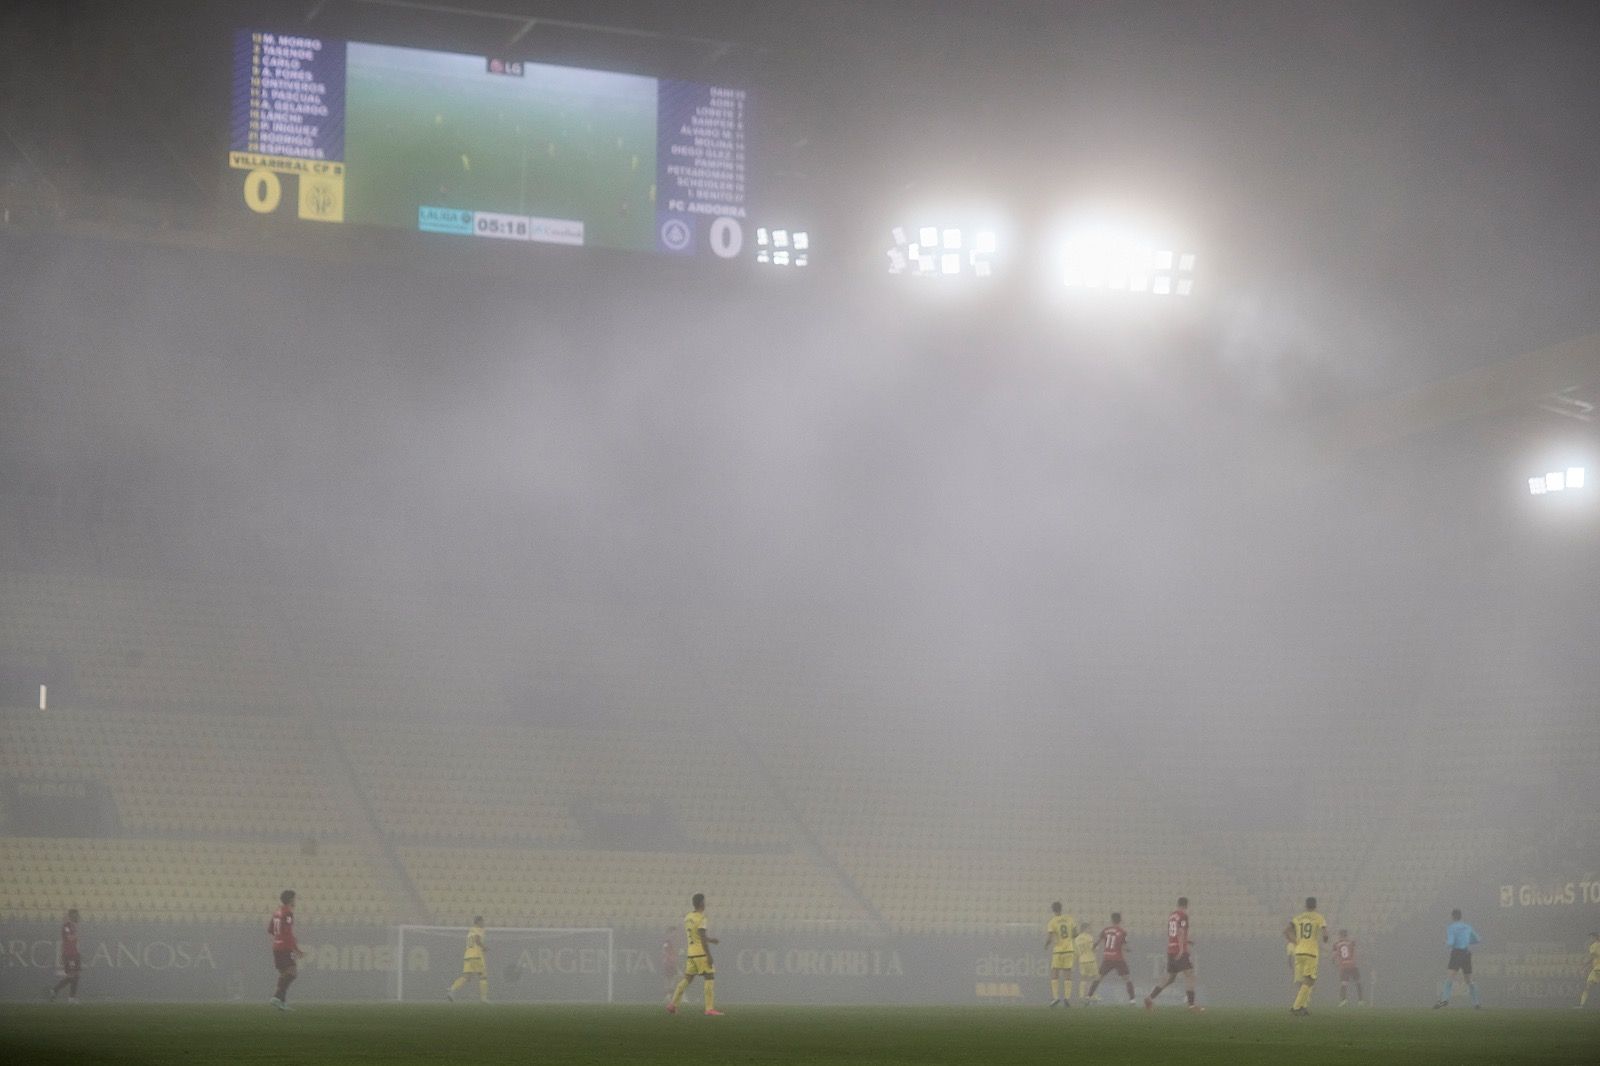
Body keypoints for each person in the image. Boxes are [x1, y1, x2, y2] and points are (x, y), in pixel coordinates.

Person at [667, 893, 722, 1016]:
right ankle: (709, 1009)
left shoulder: (688, 917)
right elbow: (701, 938)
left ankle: (672, 1004)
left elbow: (697, 936)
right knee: (709, 977)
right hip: (701, 954)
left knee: (687, 979)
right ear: (702, 903)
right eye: (705, 901)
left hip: (691, 954)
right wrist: (709, 955)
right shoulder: (701, 918)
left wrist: (711, 940)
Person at [1146, 896, 1203, 1012]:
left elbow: (1172, 933)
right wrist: (1182, 949)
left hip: (1171, 949)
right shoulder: (1183, 916)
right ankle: (1191, 1005)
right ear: (1186, 905)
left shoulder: (1172, 916)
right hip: (1179, 950)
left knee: (1170, 978)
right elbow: (1181, 932)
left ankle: (1150, 998)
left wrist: (1187, 940)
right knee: (1190, 975)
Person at [1285, 896, 1329, 1015]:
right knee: (1310, 981)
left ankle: (1303, 1007)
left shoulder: (1298, 918)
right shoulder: (1319, 917)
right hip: (1311, 953)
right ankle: (1296, 1007)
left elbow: (1286, 930)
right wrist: (1325, 939)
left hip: (1299, 952)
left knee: (1302, 982)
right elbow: (1325, 934)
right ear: (1315, 906)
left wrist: (1295, 941)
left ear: (1305, 905)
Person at [1433, 908, 1481, 1009]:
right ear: (1460, 916)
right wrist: (1466, 942)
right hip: (1466, 953)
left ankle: (1444, 1000)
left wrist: (1445, 943)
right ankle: (1476, 1003)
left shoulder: (1451, 927)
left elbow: (1451, 942)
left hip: (1457, 953)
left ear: (1453, 916)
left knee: (1450, 978)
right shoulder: (1467, 926)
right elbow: (1477, 939)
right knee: (1469, 980)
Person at [1087, 912, 1137, 1004]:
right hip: (1118, 958)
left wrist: (1093, 948)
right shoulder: (1122, 932)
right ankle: (1132, 999)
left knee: (1099, 977)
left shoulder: (1105, 930)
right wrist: (1129, 949)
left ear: (1111, 920)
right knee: (1127, 978)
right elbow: (1125, 947)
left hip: (1107, 958)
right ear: (1120, 920)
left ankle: (1088, 996)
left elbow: (1097, 942)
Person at [268, 889, 304, 1011]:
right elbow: (288, 933)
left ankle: (281, 1004)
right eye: (294, 898)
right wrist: (296, 949)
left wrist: (278, 938)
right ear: (290, 900)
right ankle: (276, 997)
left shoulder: (277, 912)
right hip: (285, 947)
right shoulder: (288, 913)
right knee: (292, 972)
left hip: (276, 947)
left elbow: (270, 929)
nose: (295, 901)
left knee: (284, 973)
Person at [447, 917, 489, 1002]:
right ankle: (484, 998)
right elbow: (477, 940)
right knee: (483, 976)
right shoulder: (478, 929)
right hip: (477, 956)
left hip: (468, 956)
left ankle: (452, 989)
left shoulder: (470, 931)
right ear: (478, 922)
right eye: (482, 922)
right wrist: (484, 947)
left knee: (466, 977)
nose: (483, 923)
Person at [1044, 902, 1077, 1007]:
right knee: (1067, 973)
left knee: (1055, 972)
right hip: (1069, 949)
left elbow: (1049, 937)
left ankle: (1056, 997)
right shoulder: (1069, 919)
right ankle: (1067, 998)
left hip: (1058, 950)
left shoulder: (1052, 922)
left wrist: (1046, 945)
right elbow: (1075, 934)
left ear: (1053, 910)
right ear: (1061, 909)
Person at [48, 908, 81, 1003]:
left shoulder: (73, 926)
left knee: (76, 976)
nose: (77, 917)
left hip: (75, 954)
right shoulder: (66, 926)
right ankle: (69, 997)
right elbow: (70, 938)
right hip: (69, 954)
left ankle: (56, 991)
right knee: (72, 975)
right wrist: (76, 934)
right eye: (75, 915)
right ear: (71, 916)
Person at [1332, 929, 1364, 1006]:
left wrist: (1334, 962)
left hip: (1343, 966)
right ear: (1346, 935)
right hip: (1352, 965)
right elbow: (1355, 952)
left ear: (1340, 935)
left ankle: (1343, 1000)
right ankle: (1360, 1001)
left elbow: (1334, 956)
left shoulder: (1336, 944)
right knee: (1358, 982)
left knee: (1344, 983)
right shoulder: (1351, 942)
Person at [1073, 926, 1098, 1002]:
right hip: (1090, 960)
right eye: (1089, 928)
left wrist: (1075, 962)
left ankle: (1081, 996)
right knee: (1094, 978)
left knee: (1083, 979)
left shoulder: (1076, 939)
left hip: (1082, 961)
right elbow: (1092, 948)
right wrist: (1097, 948)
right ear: (1085, 929)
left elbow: (1076, 952)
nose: (1090, 929)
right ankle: (1092, 995)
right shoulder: (1089, 937)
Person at [1576, 932, 1600, 1008]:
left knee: (1587, 987)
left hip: (1597, 969)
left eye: (1591, 938)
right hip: (1596, 969)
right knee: (1588, 986)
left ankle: (1582, 1005)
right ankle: (1582, 1005)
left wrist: (1584, 965)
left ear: (1595, 937)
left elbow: (1592, 957)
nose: (1590, 939)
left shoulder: (1594, 945)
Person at [660, 926, 680, 999]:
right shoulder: (667, 941)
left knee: (670, 978)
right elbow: (664, 950)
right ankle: (668, 994)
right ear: (671, 932)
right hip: (669, 962)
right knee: (671, 977)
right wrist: (667, 959)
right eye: (674, 932)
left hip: (672, 961)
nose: (675, 934)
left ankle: (668, 994)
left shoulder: (672, 941)